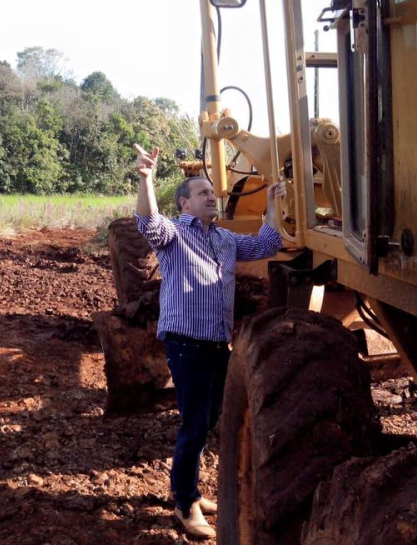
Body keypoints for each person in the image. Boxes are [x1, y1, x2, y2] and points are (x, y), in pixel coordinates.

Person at [133, 143, 285, 538]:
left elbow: (268, 243)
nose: (211, 197)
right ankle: (185, 504)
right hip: (186, 343)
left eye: (211, 192)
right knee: (194, 425)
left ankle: (191, 491)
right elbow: (148, 223)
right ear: (184, 204)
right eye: (202, 193)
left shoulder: (226, 240)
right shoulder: (174, 236)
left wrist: (272, 204)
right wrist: (146, 180)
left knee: (208, 421)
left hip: (218, 344)